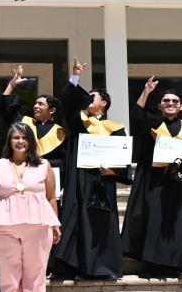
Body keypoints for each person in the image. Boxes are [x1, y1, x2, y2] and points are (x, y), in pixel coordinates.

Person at [50, 57, 127, 279]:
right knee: (76, 219)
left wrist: (114, 171)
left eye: (92, 97)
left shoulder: (115, 128)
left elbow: (122, 157)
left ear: (104, 103)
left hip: (103, 179)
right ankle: (74, 267)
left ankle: (104, 268)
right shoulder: (78, 122)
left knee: (102, 221)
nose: (87, 99)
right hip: (80, 178)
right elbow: (68, 102)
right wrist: (75, 76)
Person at [0, 122, 61, 292]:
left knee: (35, 275)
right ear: (9, 141)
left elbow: (51, 197)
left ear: (31, 141)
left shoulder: (44, 165)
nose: (20, 141)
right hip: (3, 228)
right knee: (9, 276)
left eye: (24, 137)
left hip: (38, 225)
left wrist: (55, 223)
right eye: (15, 137)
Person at [121, 76, 182, 280]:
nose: (170, 104)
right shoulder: (153, 123)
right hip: (155, 179)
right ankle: (153, 265)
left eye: (175, 101)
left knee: (179, 221)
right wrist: (146, 91)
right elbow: (137, 114)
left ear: (181, 106)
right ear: (160, 106)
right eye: (166, 101)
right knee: (154, 220)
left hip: (180, 180)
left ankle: (179, 265)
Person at [0, 65, 67, 183]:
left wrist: (44, 162)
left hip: (47, 177)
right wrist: (12, 84)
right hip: (19, 173)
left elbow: (64, 160)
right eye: (35, 103)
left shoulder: (60, 132)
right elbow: (6, 109)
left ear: (52, 110)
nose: (35, 106)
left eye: (40, 104)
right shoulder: (25, 122)